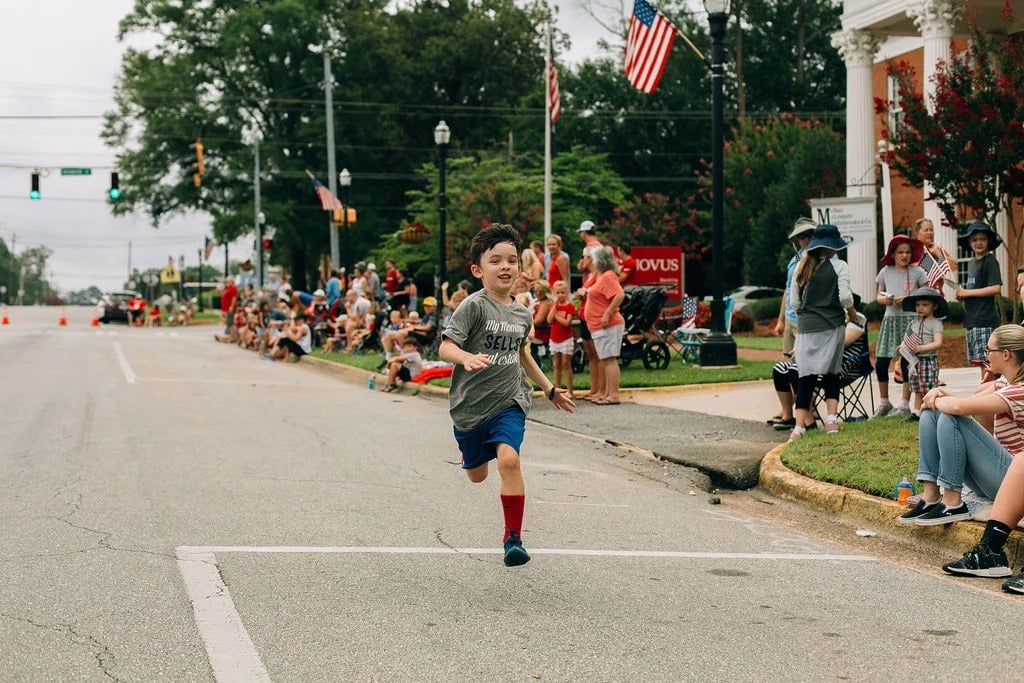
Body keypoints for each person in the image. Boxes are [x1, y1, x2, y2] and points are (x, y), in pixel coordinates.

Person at [439, 223, 575, 567]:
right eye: (495, 260)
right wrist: (466, 357)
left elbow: (521, 352)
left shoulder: (522, 313)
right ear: (478, 269)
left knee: (510, 460)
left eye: (511, 260)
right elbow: (446, 346)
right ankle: (472, 456)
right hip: (470, 408)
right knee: (477, 475)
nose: (505, 267)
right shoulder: (474, 306)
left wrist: (549, 388)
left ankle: (512, 538)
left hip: (510, 400)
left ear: (520, 267)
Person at [898, 324, 1024, 532]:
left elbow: (959, 407)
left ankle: (953, 501)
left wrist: (935, 398)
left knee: (949, 415)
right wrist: (937, 393)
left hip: (1014, 485)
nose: (985, 355)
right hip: (998, 478)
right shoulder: (1006, 383)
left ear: (1006, 354)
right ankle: (931, 496)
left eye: (989, 351)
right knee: (931, 414)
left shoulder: (1019, 391)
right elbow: (970, 399)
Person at [788, 224, 855, 441]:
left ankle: (798, 428)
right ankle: (831, 420)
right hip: (832, 325)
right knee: (830, 374)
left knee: (805, 377)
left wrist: (809, 315)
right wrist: (852, 314)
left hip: (807, 328)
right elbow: (845, 298)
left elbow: (795, 303)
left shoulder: (801, 265)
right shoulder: (840, 266)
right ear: (832, 246)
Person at [769, 294, 866, 431]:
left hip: (845, 364)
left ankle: (809, 422)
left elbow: (841, 342)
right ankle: (788, 416)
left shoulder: (859, 319)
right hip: (818, 360)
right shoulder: (828, 317)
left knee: (796, 371)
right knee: (780, 369)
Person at [873, 235, 928, 417]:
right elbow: (878, 296)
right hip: (890, 320)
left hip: (910, 321)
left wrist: (910, 299)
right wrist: (886, 299)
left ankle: (904, 404)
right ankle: (884, 402)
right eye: (900, 252)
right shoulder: (885, 272)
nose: (904, 255)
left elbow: (928, 293)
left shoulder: (918, 272)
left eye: (907, 252)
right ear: (893, 254)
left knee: (907, 362)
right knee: (881, 362)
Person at [956, 221, 1003, 379]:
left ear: (989, 241)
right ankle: (987, 397)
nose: (978, 243)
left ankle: (990, 399)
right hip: (972, 321)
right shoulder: (972, 263)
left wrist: (968, 293)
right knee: (980, 362)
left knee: (989, 364)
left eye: (982, 239)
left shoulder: (990, 261)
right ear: (969, 243)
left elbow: (995, 288)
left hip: (985, 321)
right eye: (974, 240)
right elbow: (973, 292)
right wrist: (962, 296)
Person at [584, 246, 626, 406]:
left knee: (609, 359)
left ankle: (613, 395)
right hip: (599, 326)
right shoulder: (602, 276)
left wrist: (608, 312)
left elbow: (619, 294)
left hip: (608, 324)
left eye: (594, 259)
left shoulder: (609, 276)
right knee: (606, 359)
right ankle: (608, 393)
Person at [773, 218, 816, 366]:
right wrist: (780, 321)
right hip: (790, 318)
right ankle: (796, 390)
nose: (807, 239)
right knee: (790, 365)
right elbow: (788, 290)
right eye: (802, 236)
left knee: (805, 364)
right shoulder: (794, 260)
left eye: (810, 234)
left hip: (806, 319)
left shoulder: (823, 257)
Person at [897, 287, 946, 418]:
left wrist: (921, 348)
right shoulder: (914, 323)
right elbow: (907, 338)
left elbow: (938, 343)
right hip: (914, 362)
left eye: (925, 305)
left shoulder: (935, 323)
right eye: (918, 305)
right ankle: (916, 413)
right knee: (917, 388)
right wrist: (902, 346)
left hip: (928, 361)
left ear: (934, 306)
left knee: (928, 388)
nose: (920, 308)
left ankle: (932, 413)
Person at [910, 217, 957, 294]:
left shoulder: (937, 249)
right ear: (918, 233)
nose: (930, 233)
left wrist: (937, 252)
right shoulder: (911, 251)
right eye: (926, 230)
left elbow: (954, 266)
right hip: (918, 295)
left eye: (931, 230)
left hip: (937, 295)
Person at [547, 279, 577, 398]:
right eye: (558, 293)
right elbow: (549, 320)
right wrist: (554, 306)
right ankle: (557, 388)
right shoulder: (553, 306)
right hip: (554, 338)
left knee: (566, 364)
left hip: (566, 338)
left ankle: (570, 390)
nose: (560, 295)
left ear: (567, 293)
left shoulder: (569, 306)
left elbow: (567, 323)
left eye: (562, 292)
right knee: (557, 364)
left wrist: (556, 317)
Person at [529, 280, 554, 371]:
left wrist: (524, 325)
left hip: (541, 334)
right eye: (535, 291)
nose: (537, 293)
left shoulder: (545, 303)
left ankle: (536, 366)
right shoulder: (536, 301)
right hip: (536, 332)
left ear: (546, 291)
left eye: (540, 291)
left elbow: (538, 321)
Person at [215, 276, 238, 342]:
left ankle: (233, 336)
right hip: (226, 309)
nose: (226, 282)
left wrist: (231, 306)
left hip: (229, 308)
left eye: (227, 281)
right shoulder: (228, 288)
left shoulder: (232, 288)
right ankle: (232, 336)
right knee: (229, 323)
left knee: (230, 323)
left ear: (231, 281)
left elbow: (234, 298)